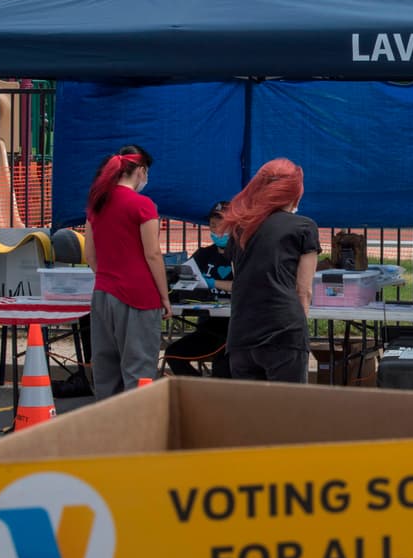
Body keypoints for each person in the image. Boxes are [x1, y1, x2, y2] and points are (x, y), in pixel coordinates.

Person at [84, 144, 170, 399]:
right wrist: (164, 296)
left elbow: (90, 254)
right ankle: (138, 432)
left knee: (105, 368)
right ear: (141, 171)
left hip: (103, 293)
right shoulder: (143, 205)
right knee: (139, 369)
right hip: (138, 294)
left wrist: (109, 275)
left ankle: (109, 429)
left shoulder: (97, 203)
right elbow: (152, 254)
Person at [223, 159, 320, 383]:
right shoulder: (304, 227)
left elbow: (240, 279)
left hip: (242, 332)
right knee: (288, 410)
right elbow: (303, 291)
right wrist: (299, 333)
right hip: (283, 330)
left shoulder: (240, 227)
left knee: (250, 412)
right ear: (295, 192)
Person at [164, 201, 233, 378]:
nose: (216, 229)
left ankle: (211, 396)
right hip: (206, 328)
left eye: (222, 224)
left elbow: (243, 286)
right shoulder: (203, 255)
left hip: (233, 331)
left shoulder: (243, 254)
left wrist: (212, 283)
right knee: (173, 354)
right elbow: (184, 278)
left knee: (223, 366)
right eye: (213, 225)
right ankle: (199, 390)